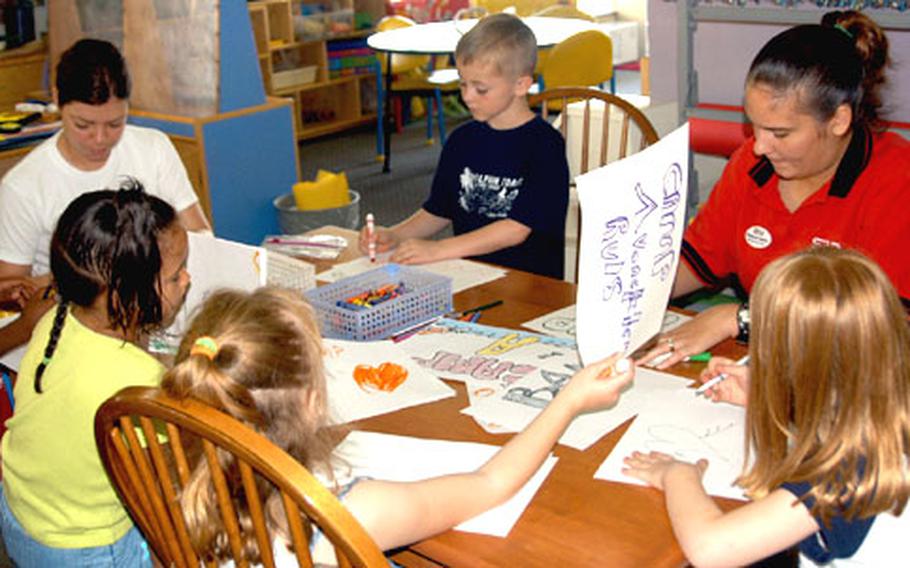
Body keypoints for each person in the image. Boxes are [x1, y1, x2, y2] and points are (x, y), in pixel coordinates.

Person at [160, 287, 631, 565]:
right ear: (310, 402)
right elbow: (491, 483)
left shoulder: (184, 484)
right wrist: (569, 401)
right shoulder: (350, 512)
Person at [640, 10, 910, 368]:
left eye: (780, 133)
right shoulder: (752, 167)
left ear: (839, 121)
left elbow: (887, 327)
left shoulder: (895, 179)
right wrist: (632, 291)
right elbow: (698, 258)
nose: (758, 146)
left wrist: (741, 319)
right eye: (754, 126)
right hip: (771, 367)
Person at [624, 248, 910, 566]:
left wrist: (677, 475)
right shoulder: (879, 409)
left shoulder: (847, 468)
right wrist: (766, 397)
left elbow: (711, 550)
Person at [0, 181, 191, 566]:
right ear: (122, 296)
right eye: (175, 276)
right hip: (82, 548)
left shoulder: (56, 318)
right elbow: (180, 470)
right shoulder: (136, 384)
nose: (187, 280)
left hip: (22, 516)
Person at [0, 38, 208, 353]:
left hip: (157, 317)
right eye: (83, 124)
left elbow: (200, 234)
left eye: (115, 123)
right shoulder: (25, 186)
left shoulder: (153, 148)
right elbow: (11, 289)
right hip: (74, 334)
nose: (100, 139)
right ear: (57, 99)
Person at [358, 13, 570, 279]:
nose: (467, 96)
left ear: (521, 85)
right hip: (468, 274)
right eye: (463, 84)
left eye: (480, 89)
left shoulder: (544, 145)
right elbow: (439, 210)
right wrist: (393, 234)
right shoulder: (462, 140)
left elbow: (517, 228)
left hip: (530, 283)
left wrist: (439, 249)